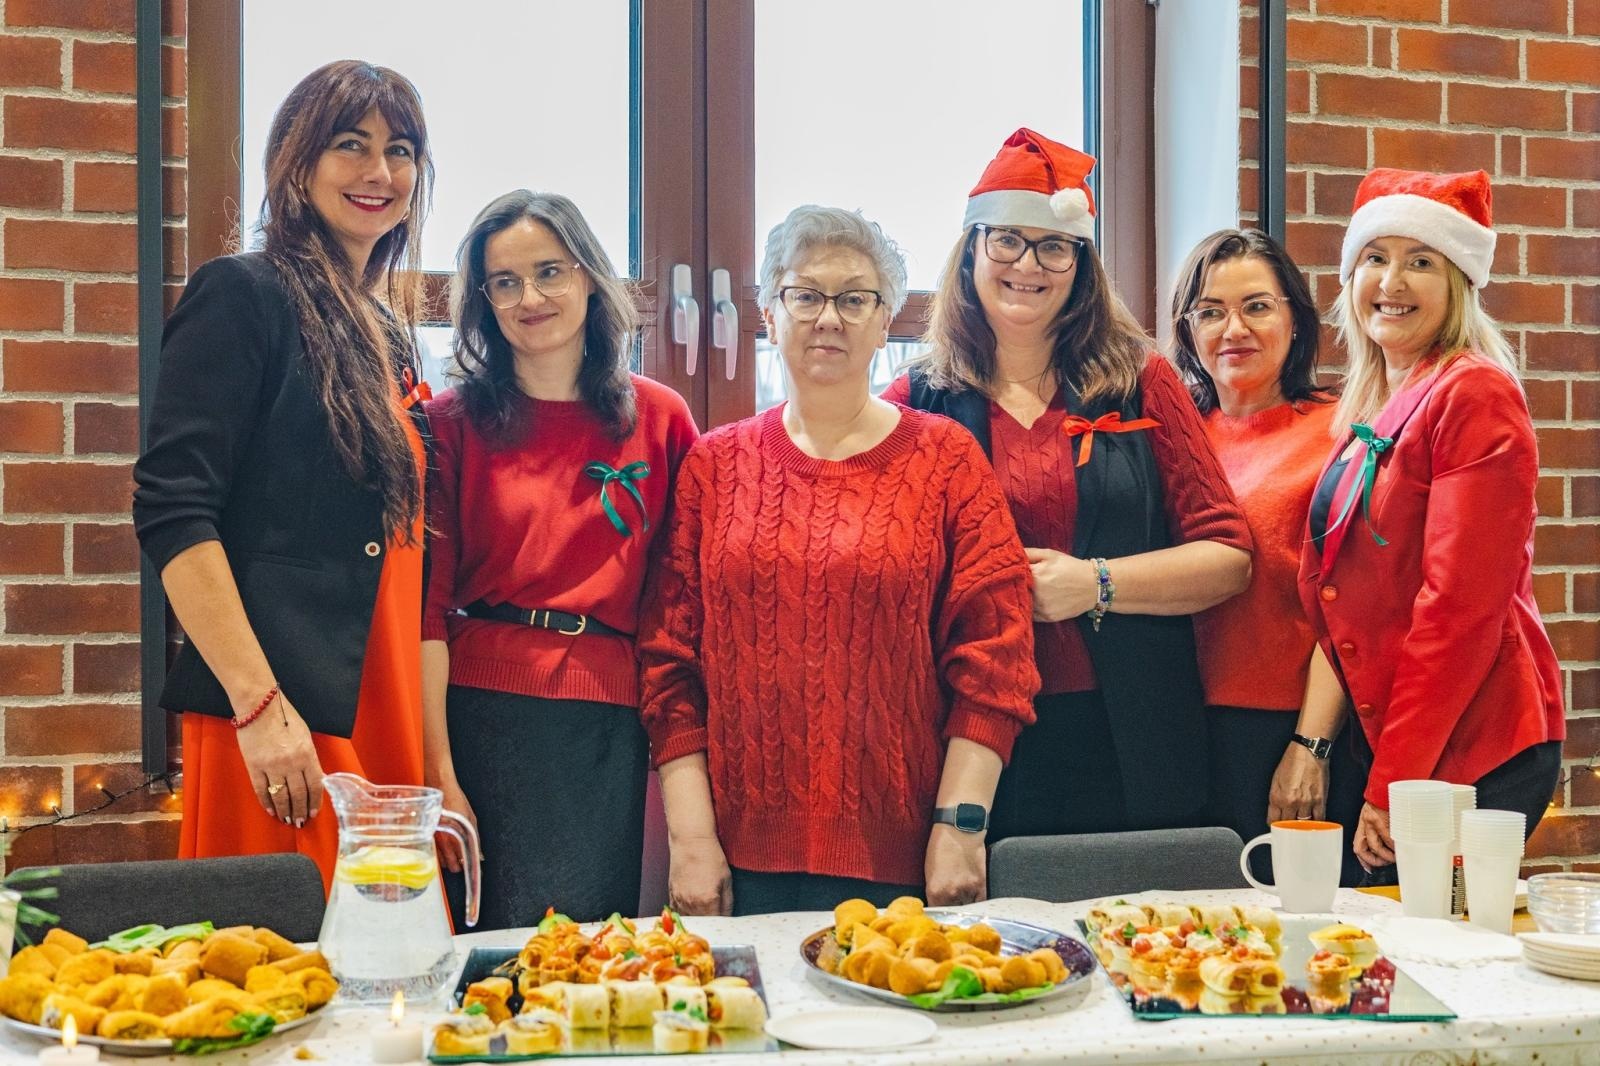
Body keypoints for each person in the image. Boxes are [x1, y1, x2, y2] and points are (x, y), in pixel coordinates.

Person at [639, 206, 1039, 916]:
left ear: (886, 321)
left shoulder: (946, 460)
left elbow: (996, 660)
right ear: (768, 312)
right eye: (806, 295)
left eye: (856, 298)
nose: (831, 318)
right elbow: (671, 666)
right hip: (735, 862)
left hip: (911, 856)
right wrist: (693, 842)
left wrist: (960, 827)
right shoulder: (713, 466)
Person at [886, 129, 1252, 838]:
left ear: (1082, 264)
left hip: (1132, 734)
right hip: (964, 735)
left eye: (1055, 245)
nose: (1030, 263)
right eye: (1007, 241)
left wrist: (1095, 584)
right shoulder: (915, 399)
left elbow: (1229, 558)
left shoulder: (1143, 381)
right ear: (971, 251)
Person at [132, 60, 433, 888]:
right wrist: (260, 708)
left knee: (392, 967)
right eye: (352, 145)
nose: (380, 172)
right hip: (282, 701)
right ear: (297, 165)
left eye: (400, 150)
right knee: (287, 964)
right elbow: (172, 509)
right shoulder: (243, 293)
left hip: (384, 687)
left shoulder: (387, 329)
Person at [423, 191, 698, 930]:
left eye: (549, 271)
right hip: (479, 718)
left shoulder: (662, 418)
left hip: (608, 724)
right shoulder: (450, 426)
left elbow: (680, 606)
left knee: (581, 954)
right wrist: (438, 774)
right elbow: (426, 614)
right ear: (482, 301)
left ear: (588, 278)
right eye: (504, 282)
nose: (529, 297)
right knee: (484, 951)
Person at [1301, 167, 1565, 874]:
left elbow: (1458, 611)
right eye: (1375, 259)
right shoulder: (1374, 399)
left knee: (1434, 960)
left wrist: (1395, 786)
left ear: (1458, 284)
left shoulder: (1473, 392)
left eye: (1422, 262)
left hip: (1477, 741)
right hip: (1403, 738)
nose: (1393, 281)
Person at [1169, 228, 1364, 883]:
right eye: (1211, 311)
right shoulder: (1171, 436)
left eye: (1256, 306)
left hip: (1286, 727)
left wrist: (1312, 745)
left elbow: (1353, 605)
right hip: (1174, 725)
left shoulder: (1338, 431)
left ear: (1294, 319)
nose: (1234, 329)